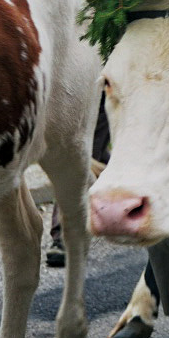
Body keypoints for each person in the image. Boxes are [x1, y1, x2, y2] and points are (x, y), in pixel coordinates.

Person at [46, 93, 110, 266]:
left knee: (77, 163)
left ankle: (62, 238)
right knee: (91, 159)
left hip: (100, 93)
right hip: (70, 95)